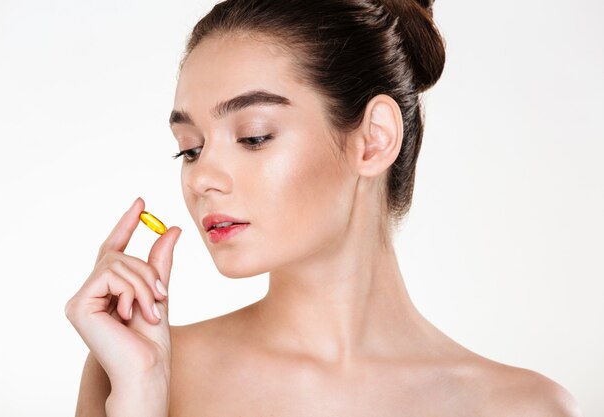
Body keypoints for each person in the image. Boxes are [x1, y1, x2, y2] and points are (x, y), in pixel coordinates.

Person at [64, 0, 583, 415]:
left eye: (253, 136)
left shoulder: (526, 408)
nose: (199, 177)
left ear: (374, 140)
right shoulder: (136, 371)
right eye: (190, 148)